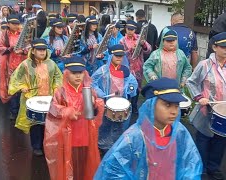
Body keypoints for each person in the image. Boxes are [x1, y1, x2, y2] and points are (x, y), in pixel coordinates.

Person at [94, 77, 203, 179]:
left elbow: (191, 164)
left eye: (176, 105)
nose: (174, 111)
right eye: (167, 105)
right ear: (152, 104)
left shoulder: (180, 132)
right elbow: (114, 171)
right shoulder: (134, 137)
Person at [44, 56, 105, 180]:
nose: (78, 76)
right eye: (74, 73)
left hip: (85, 136)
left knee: (84, 165)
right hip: (68, 138)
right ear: (66, 74)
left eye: (80, 73)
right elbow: (52, 110)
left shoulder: (88, 91)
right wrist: (67, 111)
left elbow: (95, 115)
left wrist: (96, 104)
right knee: (70, 165)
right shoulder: (60, 92)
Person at [8, 39, 63, 155]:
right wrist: (22, 86)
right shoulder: (25, 65)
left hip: (48, 99)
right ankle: (36, 146)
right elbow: (16, 78)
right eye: (39, 50)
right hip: (32, 99)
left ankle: (45, 144)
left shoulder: (51, 64)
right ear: (33, 51)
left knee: (48, 124)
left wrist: (56, 89)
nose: (42, 52)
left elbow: (58, 78)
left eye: (44, 50)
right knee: (35, 124)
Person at [187, 32, 226, 180]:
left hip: (223, 113)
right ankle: (200, 168)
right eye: (223, 47)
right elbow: (191, 82)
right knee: (203, 141)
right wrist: (199, 97)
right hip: (206, 111)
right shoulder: (204, 65)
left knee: (220, 141)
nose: (225, 50)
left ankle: (214, 168)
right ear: (214, 47)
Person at [91, 44, 138, 155]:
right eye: (116, 55)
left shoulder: (125, 71)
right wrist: (101, 94)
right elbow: (92, 82)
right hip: (106, 103)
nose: (119, 58)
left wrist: (129, 90)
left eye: (121, 56)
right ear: (110, 55)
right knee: (105, 124)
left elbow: (133, 83)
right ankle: (103, 145)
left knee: (120, 125)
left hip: (121, 103)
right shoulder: (103, 71)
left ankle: (116, 145)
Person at [0, 14, 28, 118]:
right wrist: (9, 49)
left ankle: (20, 110)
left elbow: (28, 47)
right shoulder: (4, 35)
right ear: (8, 24)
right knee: (12, 88)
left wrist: (24, 51)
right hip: (9, 65)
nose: (15, 26)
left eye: (17, 24)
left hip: (22, 64)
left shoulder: (23, 34)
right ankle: (14, 111)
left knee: (22, 87)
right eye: (13, 24)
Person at [120, 20, 151, 113]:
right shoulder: (122, 40)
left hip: (138, 67)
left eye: (132, 29)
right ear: (126, 29)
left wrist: (143, 44)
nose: (130, 31)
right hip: (127, 67)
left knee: (137, 86)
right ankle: (126, 104)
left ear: (135, 30)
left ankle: (134, 105)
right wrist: (130, 49)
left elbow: (148, 50)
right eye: (128, 29)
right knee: (127, 86)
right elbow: (121, 54)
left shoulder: (139, 38)